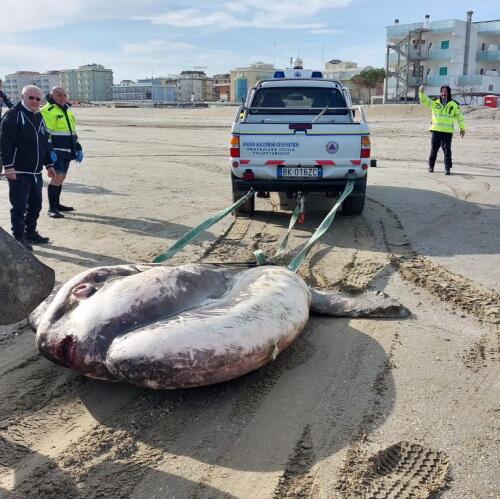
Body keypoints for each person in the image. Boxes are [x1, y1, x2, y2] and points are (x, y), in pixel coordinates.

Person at [0, 85, 55, 250]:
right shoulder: (13, 115)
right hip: (18, 171)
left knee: (36, 204)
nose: (35, 101)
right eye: (31, 98)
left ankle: (30, 232)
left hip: (36, 171)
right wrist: (8, 166)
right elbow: (5, 143)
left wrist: (49, 164)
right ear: (23, 97)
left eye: (38, 99)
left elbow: (44, 143)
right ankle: (19, 238)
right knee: (19, 207)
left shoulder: (39, 117)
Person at [41, 86, 83, 218]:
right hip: (56, 151)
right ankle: (51, 208)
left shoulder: (67, 110)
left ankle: (57, 205)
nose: (63, 97)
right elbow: (45, 134)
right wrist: (49, 151)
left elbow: (72, 131)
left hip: (68, 150)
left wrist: (78, 147)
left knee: (62, 177)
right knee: (57, 177)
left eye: (64, 95)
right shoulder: (47, 110)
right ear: (52, 96)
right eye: (59, 95)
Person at [419, 84, 465, 175]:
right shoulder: (434, 103)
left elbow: (460, 117)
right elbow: (425, 100)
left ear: (449, 93)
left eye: (446, 91)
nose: (444, 93)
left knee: (447, 150)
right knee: (434, 149)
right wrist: (421, 93)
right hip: (436, 130)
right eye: (442, 91)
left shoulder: (454, 104)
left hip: (447, 132)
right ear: (440, 93)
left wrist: (462, 128)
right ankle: (431, 166)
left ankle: (447, 168)